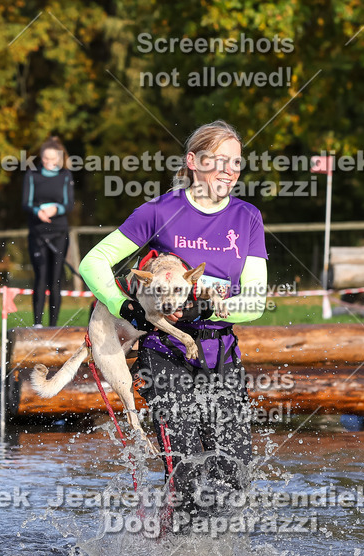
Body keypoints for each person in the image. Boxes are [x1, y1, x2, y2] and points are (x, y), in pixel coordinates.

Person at [79, 120, 268, 517]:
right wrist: (122, 306)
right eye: (219, 161)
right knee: (184, 475)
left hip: (220, 356)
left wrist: (211, 306)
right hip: (165, 352)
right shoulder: (160, 210)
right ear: (193, 162)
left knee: (233, 475)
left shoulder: (248, 217)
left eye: (236, 163)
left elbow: (255, 300)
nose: (229, 171)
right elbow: (93, 262)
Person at [22, 137, 74, 327]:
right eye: (45, 159)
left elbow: (69, 204)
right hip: (38, 232)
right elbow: (26, 203)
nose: (49, 162)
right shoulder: (32, 175)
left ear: (59, 158)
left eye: (53, 159)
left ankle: (53, 325)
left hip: (59, 232)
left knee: (56, 279)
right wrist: (38, 211)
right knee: (41, 276)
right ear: (41, 158)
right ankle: (37, 323)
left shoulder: (65, 176)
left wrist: (56, 209)